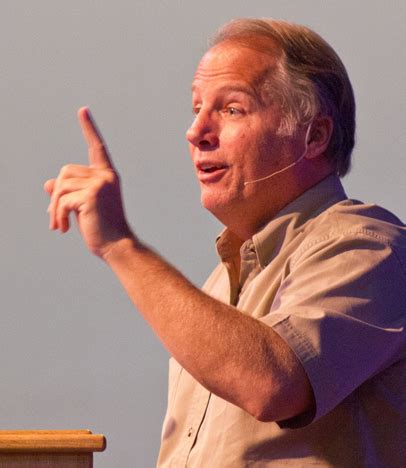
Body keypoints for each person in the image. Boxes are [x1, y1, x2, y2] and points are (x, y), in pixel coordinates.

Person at [44, 18, 405, 467]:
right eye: (196, 108)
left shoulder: (370, 248)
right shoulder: (217, 286)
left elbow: (272, 385)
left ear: (313, 136)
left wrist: (121, 247)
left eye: (232, 109)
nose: (196, 131)